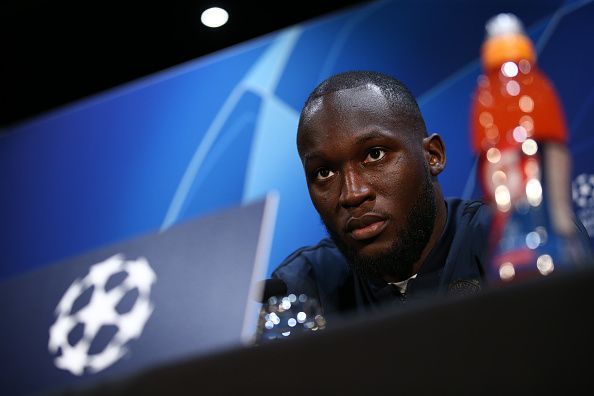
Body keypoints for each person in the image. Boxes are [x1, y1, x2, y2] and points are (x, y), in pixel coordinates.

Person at [271, 70, 492, 319]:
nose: (352, 194)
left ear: (433, 156)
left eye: (375, 154)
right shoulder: (305, 287)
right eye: (324, 173)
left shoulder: (499, 241)